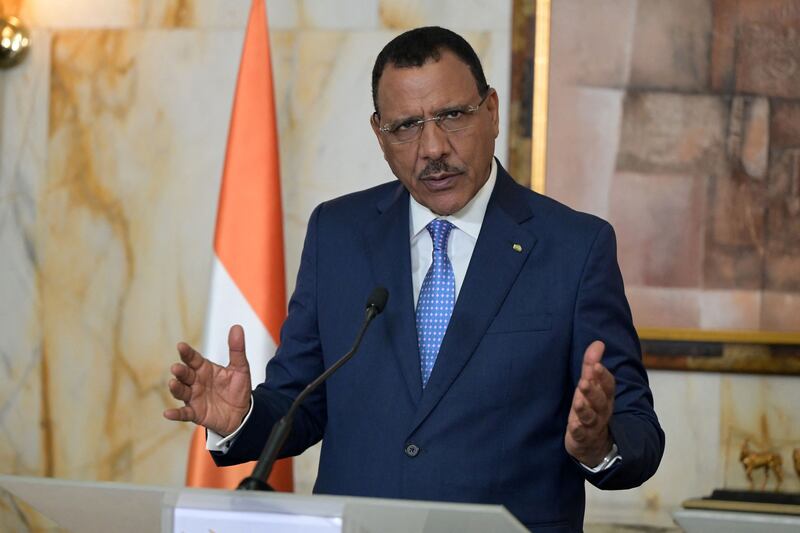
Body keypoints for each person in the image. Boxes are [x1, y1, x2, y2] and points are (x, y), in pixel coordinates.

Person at [164, 26, 664, 531]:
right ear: (380, 135)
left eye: (451, 116)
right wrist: (242, 418)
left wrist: (598, 445)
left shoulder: (575, 248)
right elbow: (302, 403)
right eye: (405, 126)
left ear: (490, 110)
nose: (432, 147)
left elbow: (640, 431)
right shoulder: (337, 234)